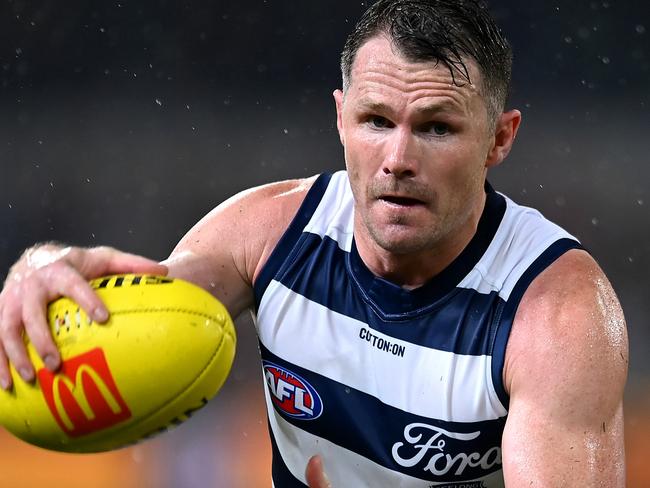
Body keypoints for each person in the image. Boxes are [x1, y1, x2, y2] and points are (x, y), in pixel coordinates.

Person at [0, 0, 628, 486]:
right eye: (376, 121)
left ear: (499, 138)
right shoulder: (271, 235)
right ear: (339, 117)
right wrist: (40, 269)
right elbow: (137, 321)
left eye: (436, 128)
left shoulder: (556, 316)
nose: (397, 159)